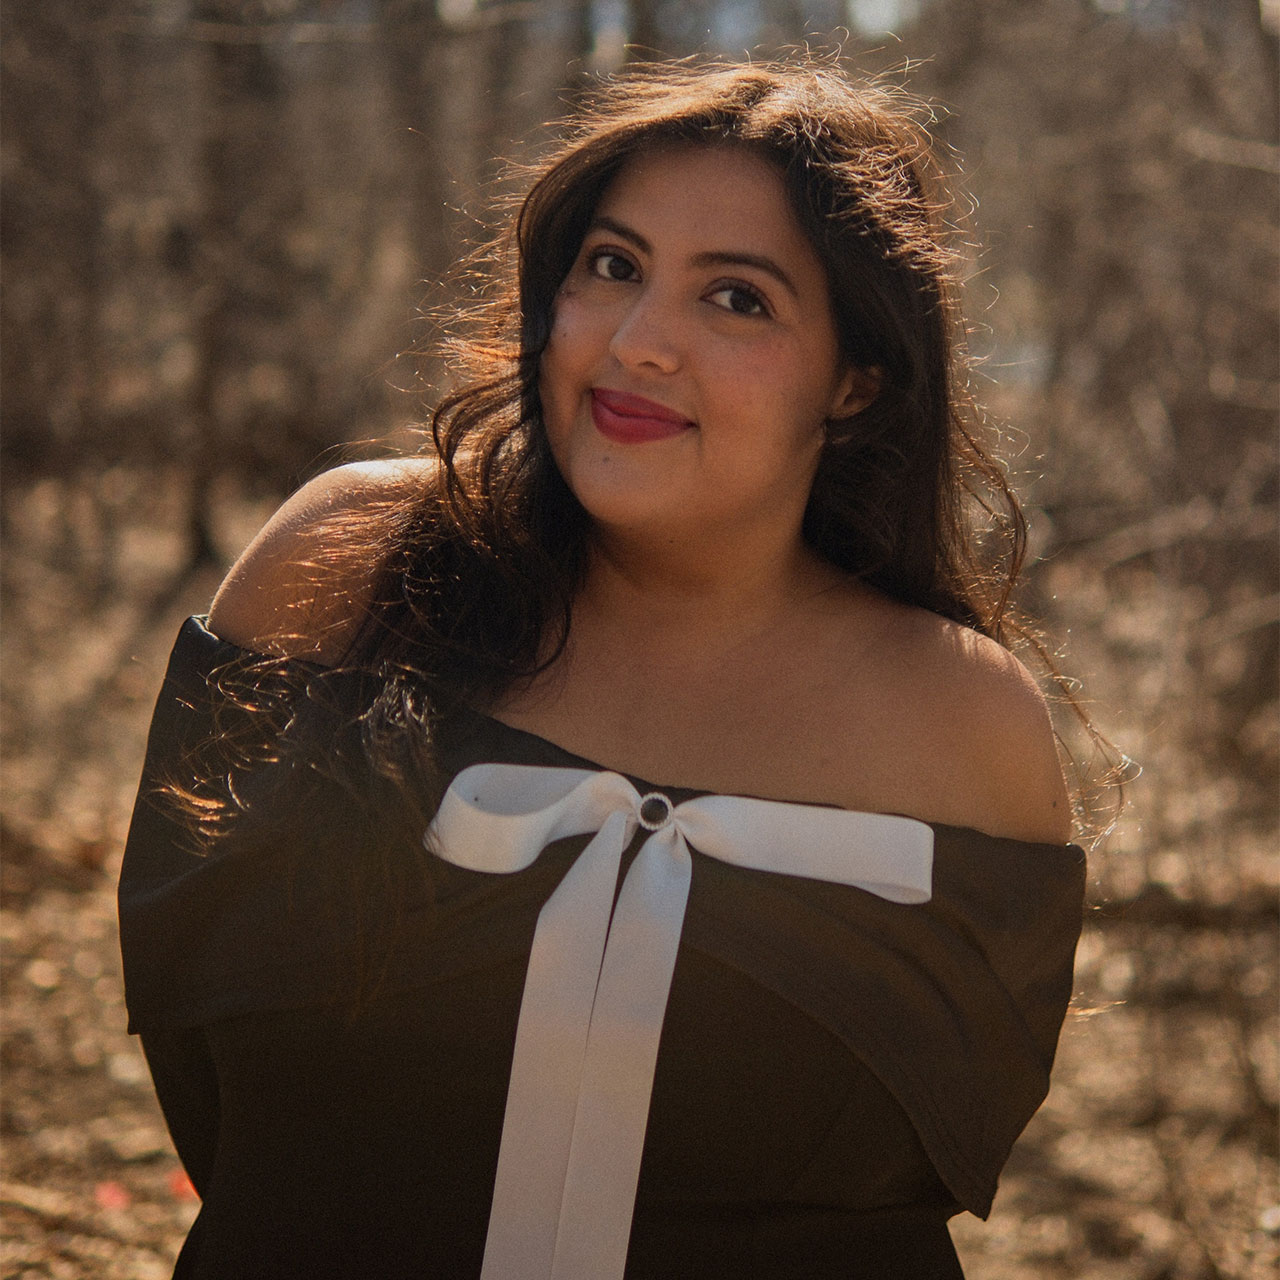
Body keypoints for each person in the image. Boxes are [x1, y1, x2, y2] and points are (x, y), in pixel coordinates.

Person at [119, 58, 1087, 1280]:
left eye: (735, 299)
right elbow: (205, 1060)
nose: (639, 343)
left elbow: (914, 1186)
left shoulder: (962, 725)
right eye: (613, 268)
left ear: (853, 379)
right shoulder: (342, 566)